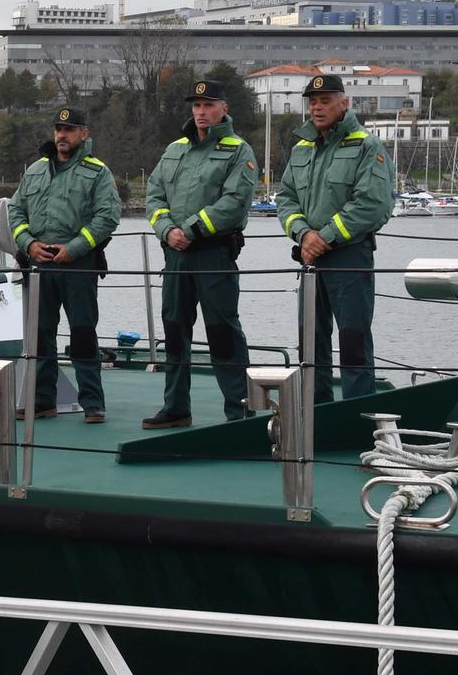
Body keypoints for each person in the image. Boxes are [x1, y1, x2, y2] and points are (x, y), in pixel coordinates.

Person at [141, 78, 257, 428]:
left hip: (213, 254)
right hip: (175, 255)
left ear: (224, 108)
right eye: (196, 106)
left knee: (223, 331)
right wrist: (166, 230)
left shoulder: (239, 151)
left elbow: (234, 204)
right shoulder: (175, 149)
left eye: (208, 106)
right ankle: (176, 407)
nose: (201, 112)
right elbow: (154, 194)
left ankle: (240, 410)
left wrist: (189, 229)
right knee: (175, 330)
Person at [275, 71, 396, 401]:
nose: (317, 108)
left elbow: (373, 205)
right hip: (309, 257)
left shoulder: (367, 147)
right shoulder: (302, 149)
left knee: (354, 339)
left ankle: (357, 415)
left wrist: (322, 238)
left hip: (349, 257)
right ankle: (316, 410)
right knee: (311, 340)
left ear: (345, 103)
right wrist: (303, 234)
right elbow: (285, 198)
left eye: (325, 101)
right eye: (313, 102)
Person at [6, 105, 120, 423]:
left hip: (77, 265)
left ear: (84, 134)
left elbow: (107, 217)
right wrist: (28, 243)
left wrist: (75, 248)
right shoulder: (35, 171)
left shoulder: (98, 173)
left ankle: (93, 403)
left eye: (69, 130)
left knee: (83, 332)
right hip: (40, 264)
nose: (61, 135)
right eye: (58, 129)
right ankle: (43, 401)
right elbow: (15, 211)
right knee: (41, 334)